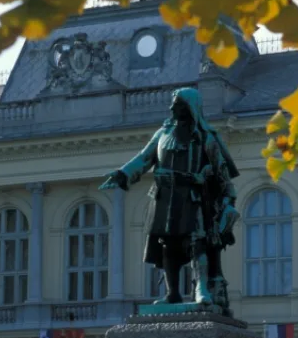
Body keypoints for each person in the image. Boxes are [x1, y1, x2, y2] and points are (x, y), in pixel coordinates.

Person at [100, 87, 239, 312]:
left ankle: (201, 288)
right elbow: (143, 159)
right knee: (167, 245)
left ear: (190, 107)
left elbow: (222, 173)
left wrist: (228, 200)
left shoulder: (205, 138)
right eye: (173, 103)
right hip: (164, 197)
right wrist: (123, 174)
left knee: (197, 242)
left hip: (192, 196)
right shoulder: (162, 134)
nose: (172, 107)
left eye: (177, 103)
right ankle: (172, 293)